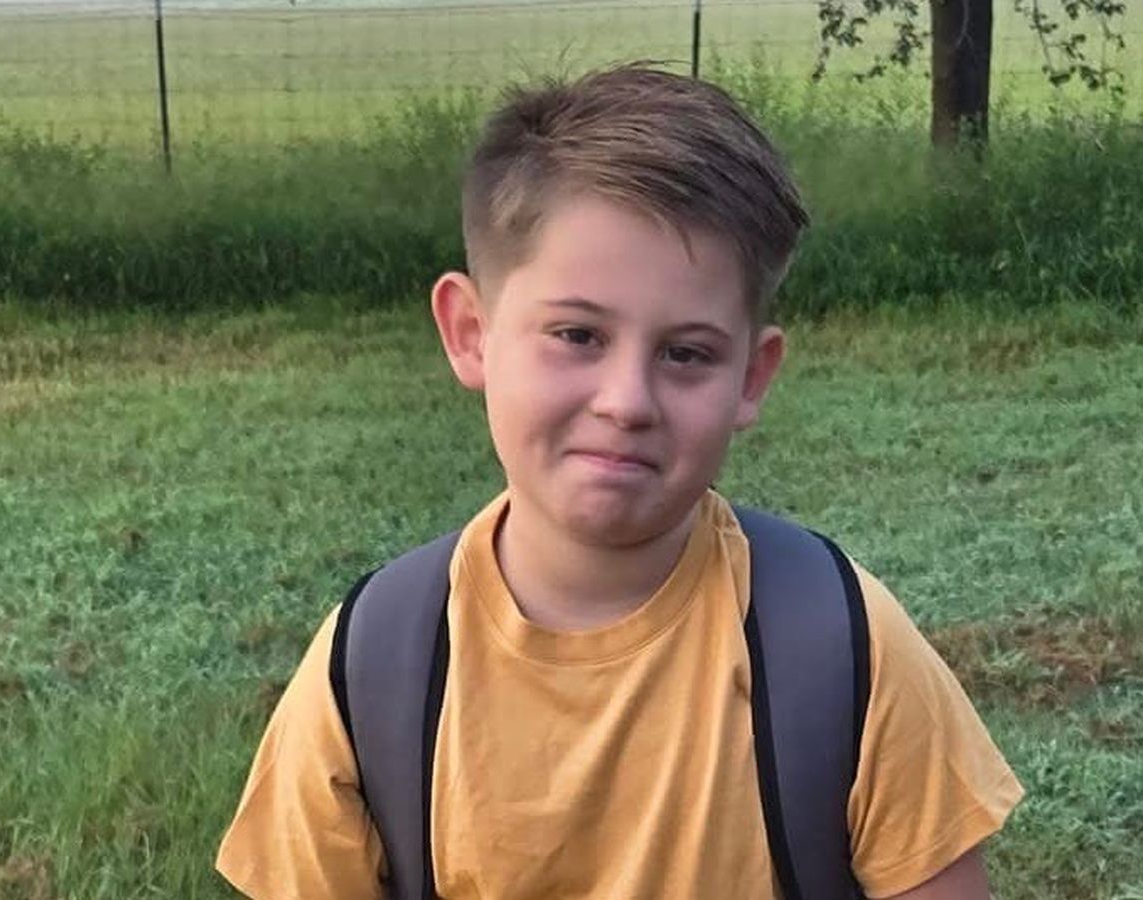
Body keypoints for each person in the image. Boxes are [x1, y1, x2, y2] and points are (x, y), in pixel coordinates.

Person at [216, 64, 1023, 899]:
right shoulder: (371, 667)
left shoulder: (845, 648)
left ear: (752, 377)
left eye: (686, 353)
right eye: (577, 335)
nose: (627, 401)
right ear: (471, 332)